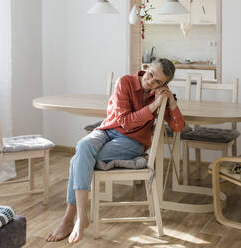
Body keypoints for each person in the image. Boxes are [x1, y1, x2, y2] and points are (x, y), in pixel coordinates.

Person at [45, 58, 185, 244]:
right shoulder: (125, 82)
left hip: (132, 142)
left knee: (79, 160)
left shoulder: (159, 95)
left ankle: (71, 219)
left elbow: (177, 127)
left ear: (164, 84)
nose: (151, 81)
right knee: (84, 147)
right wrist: (154, 106)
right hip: (107, 130)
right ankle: (80, 217)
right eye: (151, 74)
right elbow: (125, 121)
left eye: (158, 81)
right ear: (146, 68)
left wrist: (170, 102)